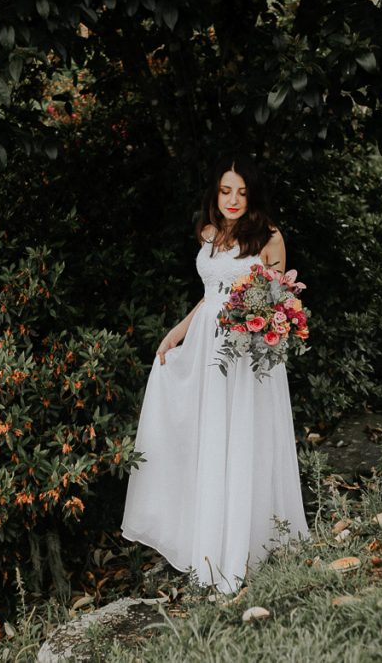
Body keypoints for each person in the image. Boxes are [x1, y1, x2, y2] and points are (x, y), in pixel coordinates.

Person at [120, 154, 310, 594]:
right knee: (207, 433)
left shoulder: (270, 237)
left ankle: (248, 544)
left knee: (244, 436)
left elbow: (278, 297)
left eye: (242, 192)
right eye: (226, 190)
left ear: (253, 195)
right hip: (209, 345)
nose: (233, 199)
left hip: (247, 351)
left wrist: (257, 322)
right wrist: (177, 332)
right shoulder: (209, 233)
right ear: (215, 193)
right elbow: (210, 296)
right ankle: (206, 541)